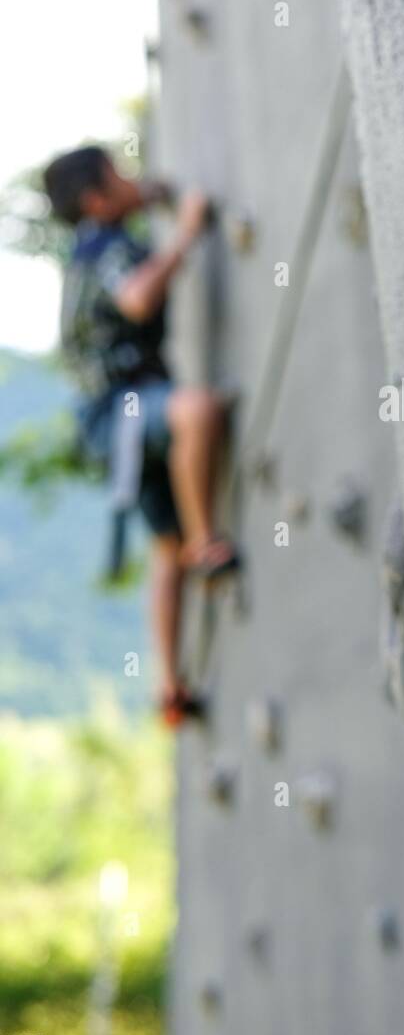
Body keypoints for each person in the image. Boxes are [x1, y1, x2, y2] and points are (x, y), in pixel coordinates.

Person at [43, 144, 240, 725]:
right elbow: (136, 298)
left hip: (115, 419)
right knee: (197, 411)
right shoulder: (102, 248)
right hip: (121, 409)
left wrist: (152, 191)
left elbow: (142, 191)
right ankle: (210, 545)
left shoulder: (93, 238)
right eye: (117, 174)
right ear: (97, 199)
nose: (132, 177)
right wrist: (184, 235)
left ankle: (169, 688)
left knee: (163, 549)